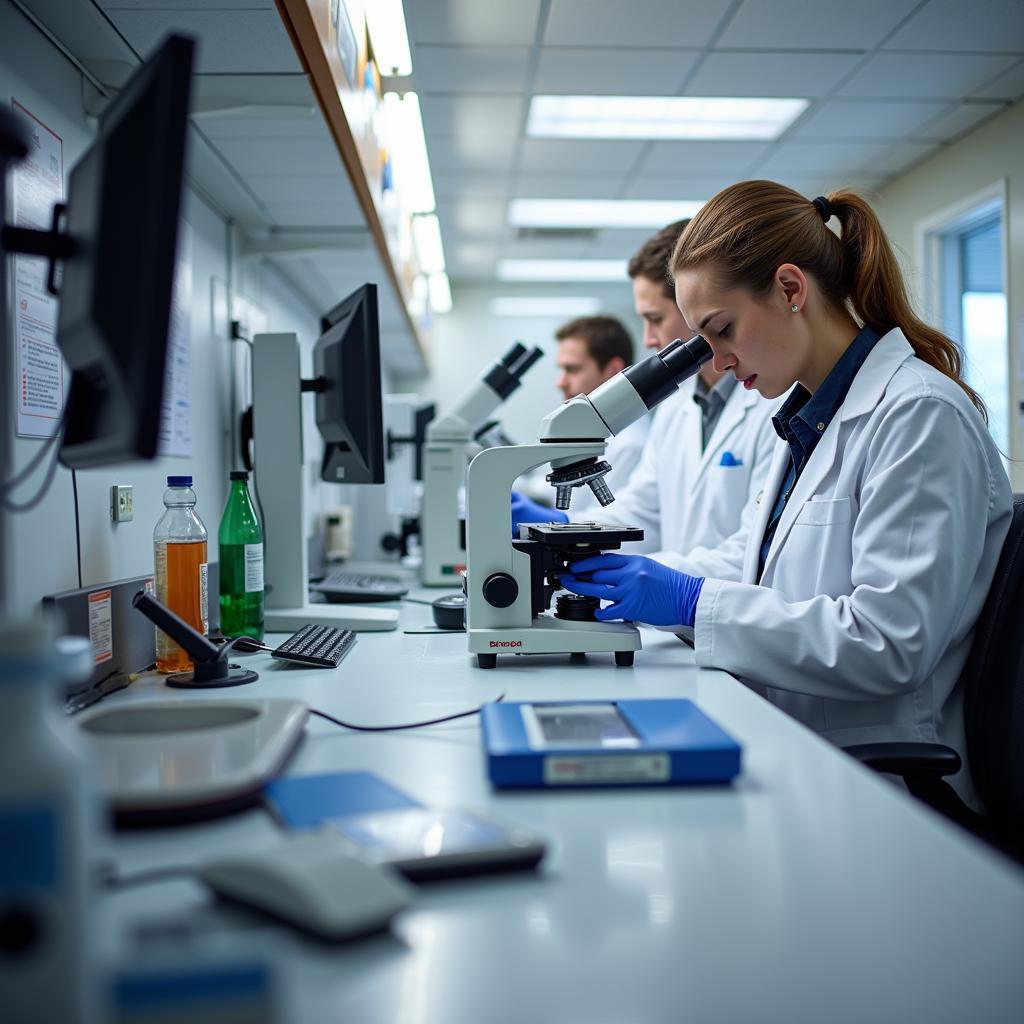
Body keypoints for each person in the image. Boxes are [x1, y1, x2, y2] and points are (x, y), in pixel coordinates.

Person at [562, 180, 1012, 805]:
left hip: (883, 779)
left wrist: (693, 603)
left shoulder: (918, 416)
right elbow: (750, 557)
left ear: (792, 289)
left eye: (722, 331)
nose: (716, 362)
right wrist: (643, 578)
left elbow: (887, 643)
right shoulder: (806, 413)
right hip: (795, 736)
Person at [513, 219, 778, 571]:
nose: (649, 339)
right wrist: (563, 530)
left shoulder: (772, 401)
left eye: (655, 319)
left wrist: (665, 583)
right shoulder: (676, 406)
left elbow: (752, 551)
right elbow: (642, 511)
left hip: (728, 609)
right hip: (681, 621)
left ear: (694, 305)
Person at [550, 315, 649, 515]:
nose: (560, 382)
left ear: (612, 370)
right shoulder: (591, 430)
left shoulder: (630, 445)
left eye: (572, 369)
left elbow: (610, 523)